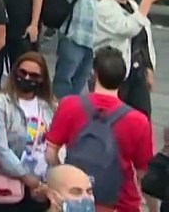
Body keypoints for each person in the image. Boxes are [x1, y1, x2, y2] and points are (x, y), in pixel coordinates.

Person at [45, 47, 154, 212]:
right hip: (120, 203)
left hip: (74, 200)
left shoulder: (69, 105)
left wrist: (66, 176)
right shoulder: (138, 120)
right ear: (123, 78)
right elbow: (142, 172)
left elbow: (50, 153)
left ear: (94, 74)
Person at [0, 51, 55, 212]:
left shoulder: (49, 107)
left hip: (40, 188)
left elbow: (55, 146)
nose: (27, 78)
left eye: (34, 75)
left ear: (42, 79)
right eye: (22, 73)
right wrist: (27, 178)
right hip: (7, 184)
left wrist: (47, 183)